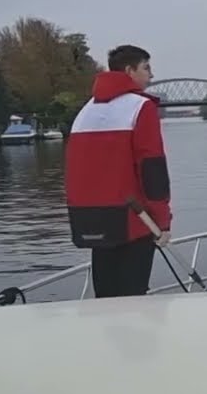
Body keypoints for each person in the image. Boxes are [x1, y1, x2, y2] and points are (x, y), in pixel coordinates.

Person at [65, 44, 172, 298]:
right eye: (146, 68)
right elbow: (152, 168)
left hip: (92, 220)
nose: (151, 75)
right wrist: (162, 221)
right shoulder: (141, 107)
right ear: (129, 71)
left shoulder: (86, 110)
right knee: (133, 299)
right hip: (134, 220)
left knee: (105, 299)